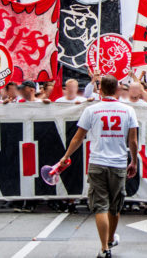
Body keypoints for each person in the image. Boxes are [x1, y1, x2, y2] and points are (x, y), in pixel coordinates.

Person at [59, 75, 139, 258]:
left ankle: (104, 248)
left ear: (100, 89)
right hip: (118, 163)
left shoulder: (91, 110)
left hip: (97, 162)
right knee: (115, 206)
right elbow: (132, 140)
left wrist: (66, 156)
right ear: (118, 89)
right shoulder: (128, 111)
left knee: (101, 206)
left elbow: (78, 137)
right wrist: (133, 161)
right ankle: (110, 239)